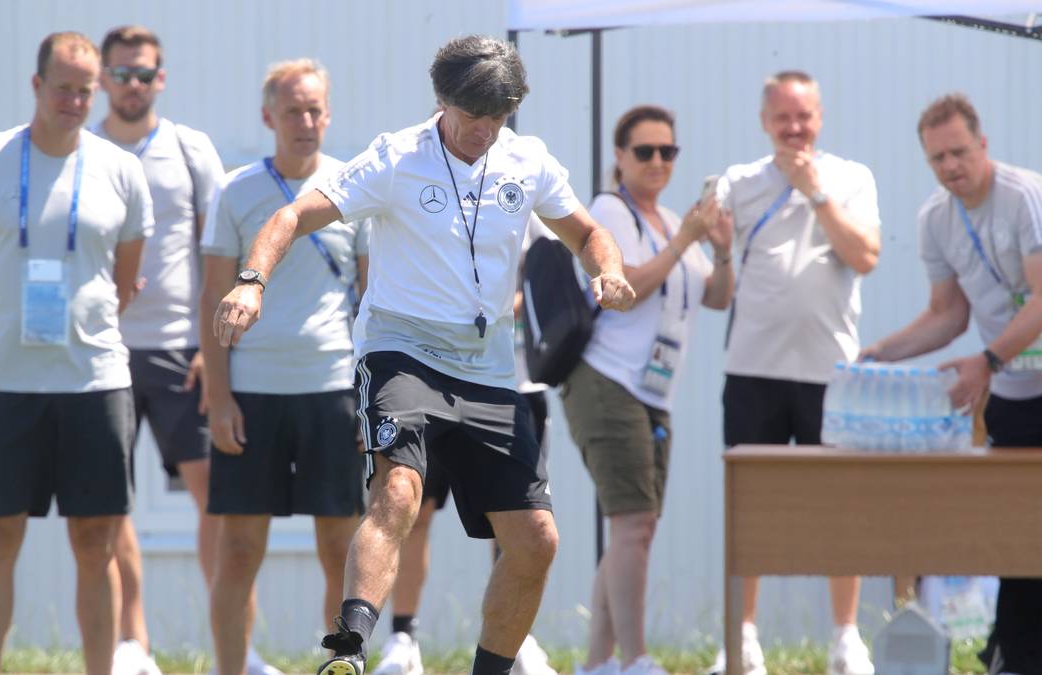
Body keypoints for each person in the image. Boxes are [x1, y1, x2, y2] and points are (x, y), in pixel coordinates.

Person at [212, 34, 635, 675]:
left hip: (489, 370)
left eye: (499, 117)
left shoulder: (529, 161)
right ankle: (350, 651)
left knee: (536, 540)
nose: (485, 132)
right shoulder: (395, 157)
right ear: (443, 101)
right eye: (473, 117)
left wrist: (607, 270)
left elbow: (589, 232)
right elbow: (290, 218)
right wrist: (251, 281)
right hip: (401, 352)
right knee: (401, 490)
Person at [0, 32, 153, 675]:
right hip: (5, 382)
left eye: (86, 90)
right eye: (63, 87)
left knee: (97, 542)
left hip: (94, 382)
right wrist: (8, 327)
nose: (74, 100)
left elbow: (123, 280)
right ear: (36, 86)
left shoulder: (120, 168)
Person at [89, 25, 276, 675]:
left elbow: (217, 247)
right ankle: (133, 644)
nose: (132, 85)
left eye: (144, 74)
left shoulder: (188, 148)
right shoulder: (82, 150)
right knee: (108, 505)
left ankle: (237, 650)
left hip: (180, 350)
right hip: (100, 351)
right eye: (120, 74)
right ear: (100, 80)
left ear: (160, 79)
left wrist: (212, 345)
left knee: (217, 503)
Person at [860, 93, 1042, 675]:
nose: (950, 167)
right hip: (1014, 395)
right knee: (1019, 536)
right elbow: (947, 315)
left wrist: (985, 360)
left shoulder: (1023, 197)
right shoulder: (935, 217)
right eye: (937, 158)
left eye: (959, 152)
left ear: (983, 145)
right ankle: (1013, 654)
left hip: (1009, 370)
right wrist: (880, 354)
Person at [198, 58, 368, 675]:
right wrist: (219, 399)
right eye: (294, 110)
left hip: (332, 393)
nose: (306, 121)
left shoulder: (355, 185)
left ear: (329, 114)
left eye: (316, 109)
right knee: (239, 552)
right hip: (254, 394)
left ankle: (340, 667)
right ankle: (229, 668)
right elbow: (213, 301)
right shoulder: (236, 189)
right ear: (268, 116)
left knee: (340, 551)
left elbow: (373, 305)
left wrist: (369, 404)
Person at [710, 71, 881, 675]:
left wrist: (815, 191)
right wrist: (719, 244)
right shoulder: (740, 182)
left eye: (804, 116)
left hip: (831, 369)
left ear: (821, 115)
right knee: (749, 504)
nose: (794, 128)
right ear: (764, 121)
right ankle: (743, 639)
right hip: (752, 365)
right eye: (783, 117)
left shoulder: (851, 177)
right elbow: (719, 273)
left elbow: (865, 256)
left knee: (840, 504)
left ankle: (844, 639)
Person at [564, 105, 733, 675]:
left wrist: (722, 247)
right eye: (645, 151)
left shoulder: (664, 221)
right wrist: (686, 238)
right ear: (619, 156)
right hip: (606, 380)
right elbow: (623, 287)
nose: (658, 162)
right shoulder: (609, 209)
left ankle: (598, 662)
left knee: (636, 525)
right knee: (633, 521)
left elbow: (717, 297)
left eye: (668, 152)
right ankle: (634, 658)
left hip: (652, 392)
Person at [371, 214, 560, 675]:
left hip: (515, 385)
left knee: (517, 523)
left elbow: (548, 280)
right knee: (414, 507)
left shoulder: (528, 199)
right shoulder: (431, 192)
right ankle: (403, 638)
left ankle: (517, 644)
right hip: (432, 382)